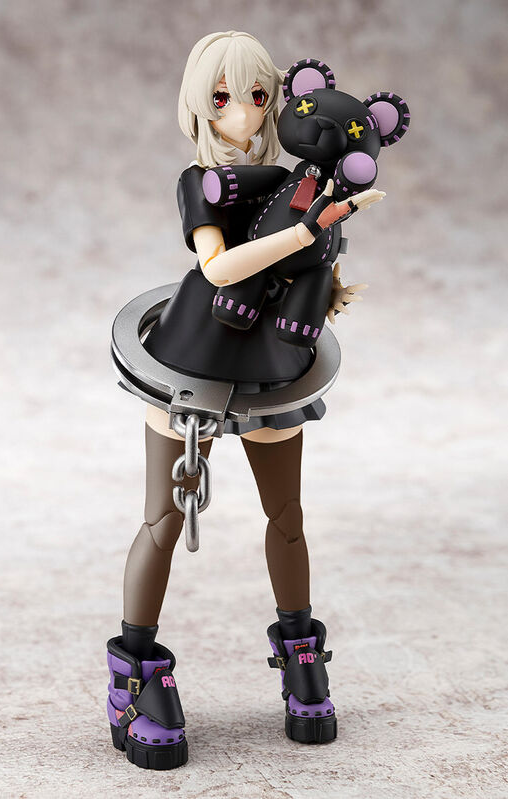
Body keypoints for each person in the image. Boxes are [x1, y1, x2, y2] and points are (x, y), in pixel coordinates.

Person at [106, 30, 370, 771]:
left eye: (258, 96)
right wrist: (306, 232)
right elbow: (218, 268)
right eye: (223, 98)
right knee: (162, 519)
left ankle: (301, 652)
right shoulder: (200, 182)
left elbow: (309, 253)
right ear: (200, 103)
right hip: (193, 349)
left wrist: (322, 258)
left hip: (273, 356)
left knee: (286, 516)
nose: (244, 113)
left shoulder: (288, 179)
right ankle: (133, 671)